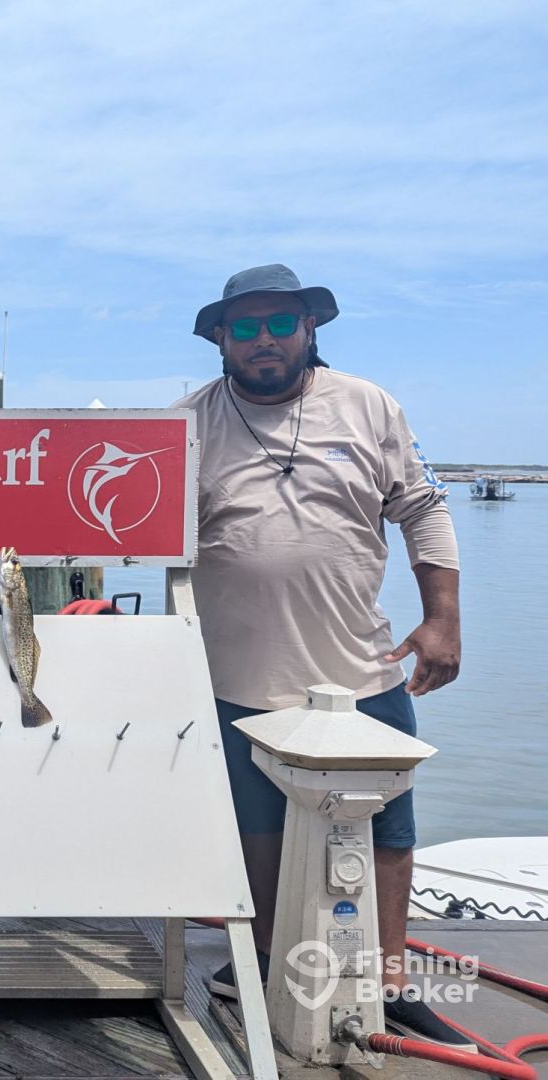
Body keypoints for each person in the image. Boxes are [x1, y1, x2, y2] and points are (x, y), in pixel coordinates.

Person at [176, 264, 466, 1048]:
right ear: (219, 339)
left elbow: (422, 507)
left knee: (388, 829)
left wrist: (442, 619)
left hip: (359, 665)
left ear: (309, 329)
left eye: (280, 323)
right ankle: (269, 960)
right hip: (235, 673)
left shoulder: (368, 405)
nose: (263, 340)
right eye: (244, 327)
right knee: (257, 828)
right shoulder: (184, 422)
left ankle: (388, 980)